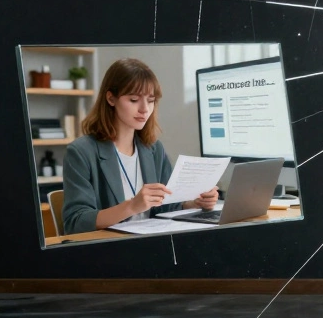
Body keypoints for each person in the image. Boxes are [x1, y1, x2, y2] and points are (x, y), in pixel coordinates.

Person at [61, 59, 217, 234]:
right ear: (111, 98)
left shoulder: (154, 149)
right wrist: (132, 206)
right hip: (110, 247)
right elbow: (76, 222)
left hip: (151, 242)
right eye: (134, 99)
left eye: (151, 100)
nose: (145, 109)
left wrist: (193, 203)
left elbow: (165, 205)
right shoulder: (81, 152)